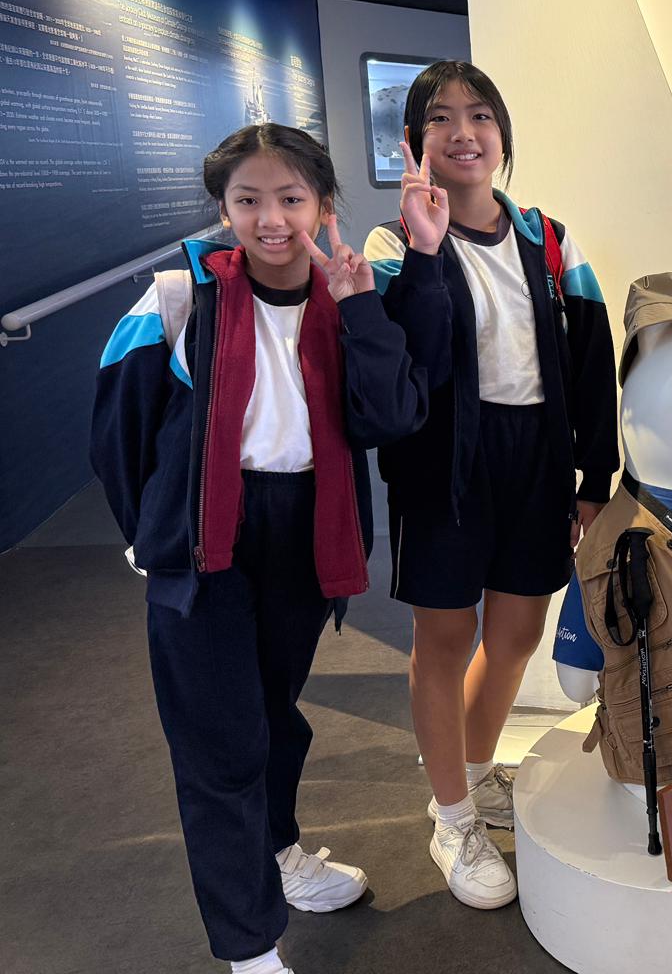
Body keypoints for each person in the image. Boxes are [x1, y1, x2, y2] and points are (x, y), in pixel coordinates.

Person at [91, 124, 431, 974]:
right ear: (224, 208)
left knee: (275, 716)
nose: (271, 219)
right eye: (248, 200)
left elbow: (392, 418)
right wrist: (154, 530)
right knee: (220, 744)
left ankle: (278, 852)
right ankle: (249, 946)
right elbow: (120, 431)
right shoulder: (180, 296)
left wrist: (361, 307)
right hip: (205, 536)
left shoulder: (347, 296)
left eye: (290, 198)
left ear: (323, 204)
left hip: (306, 530)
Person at [363, 60, 617, 908]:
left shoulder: (549, 239)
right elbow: (410, 362)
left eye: (479, 116)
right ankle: (451, 820)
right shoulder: (392, 245)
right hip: (442, 463)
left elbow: (593, 361)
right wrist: (426, 249)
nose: (463, 133)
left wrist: (595, 474)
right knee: (444, 639)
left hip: (536, 457)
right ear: (415, 141)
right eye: (440, 118)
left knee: (515, 635)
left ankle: (474, 775)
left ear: (502, 135)